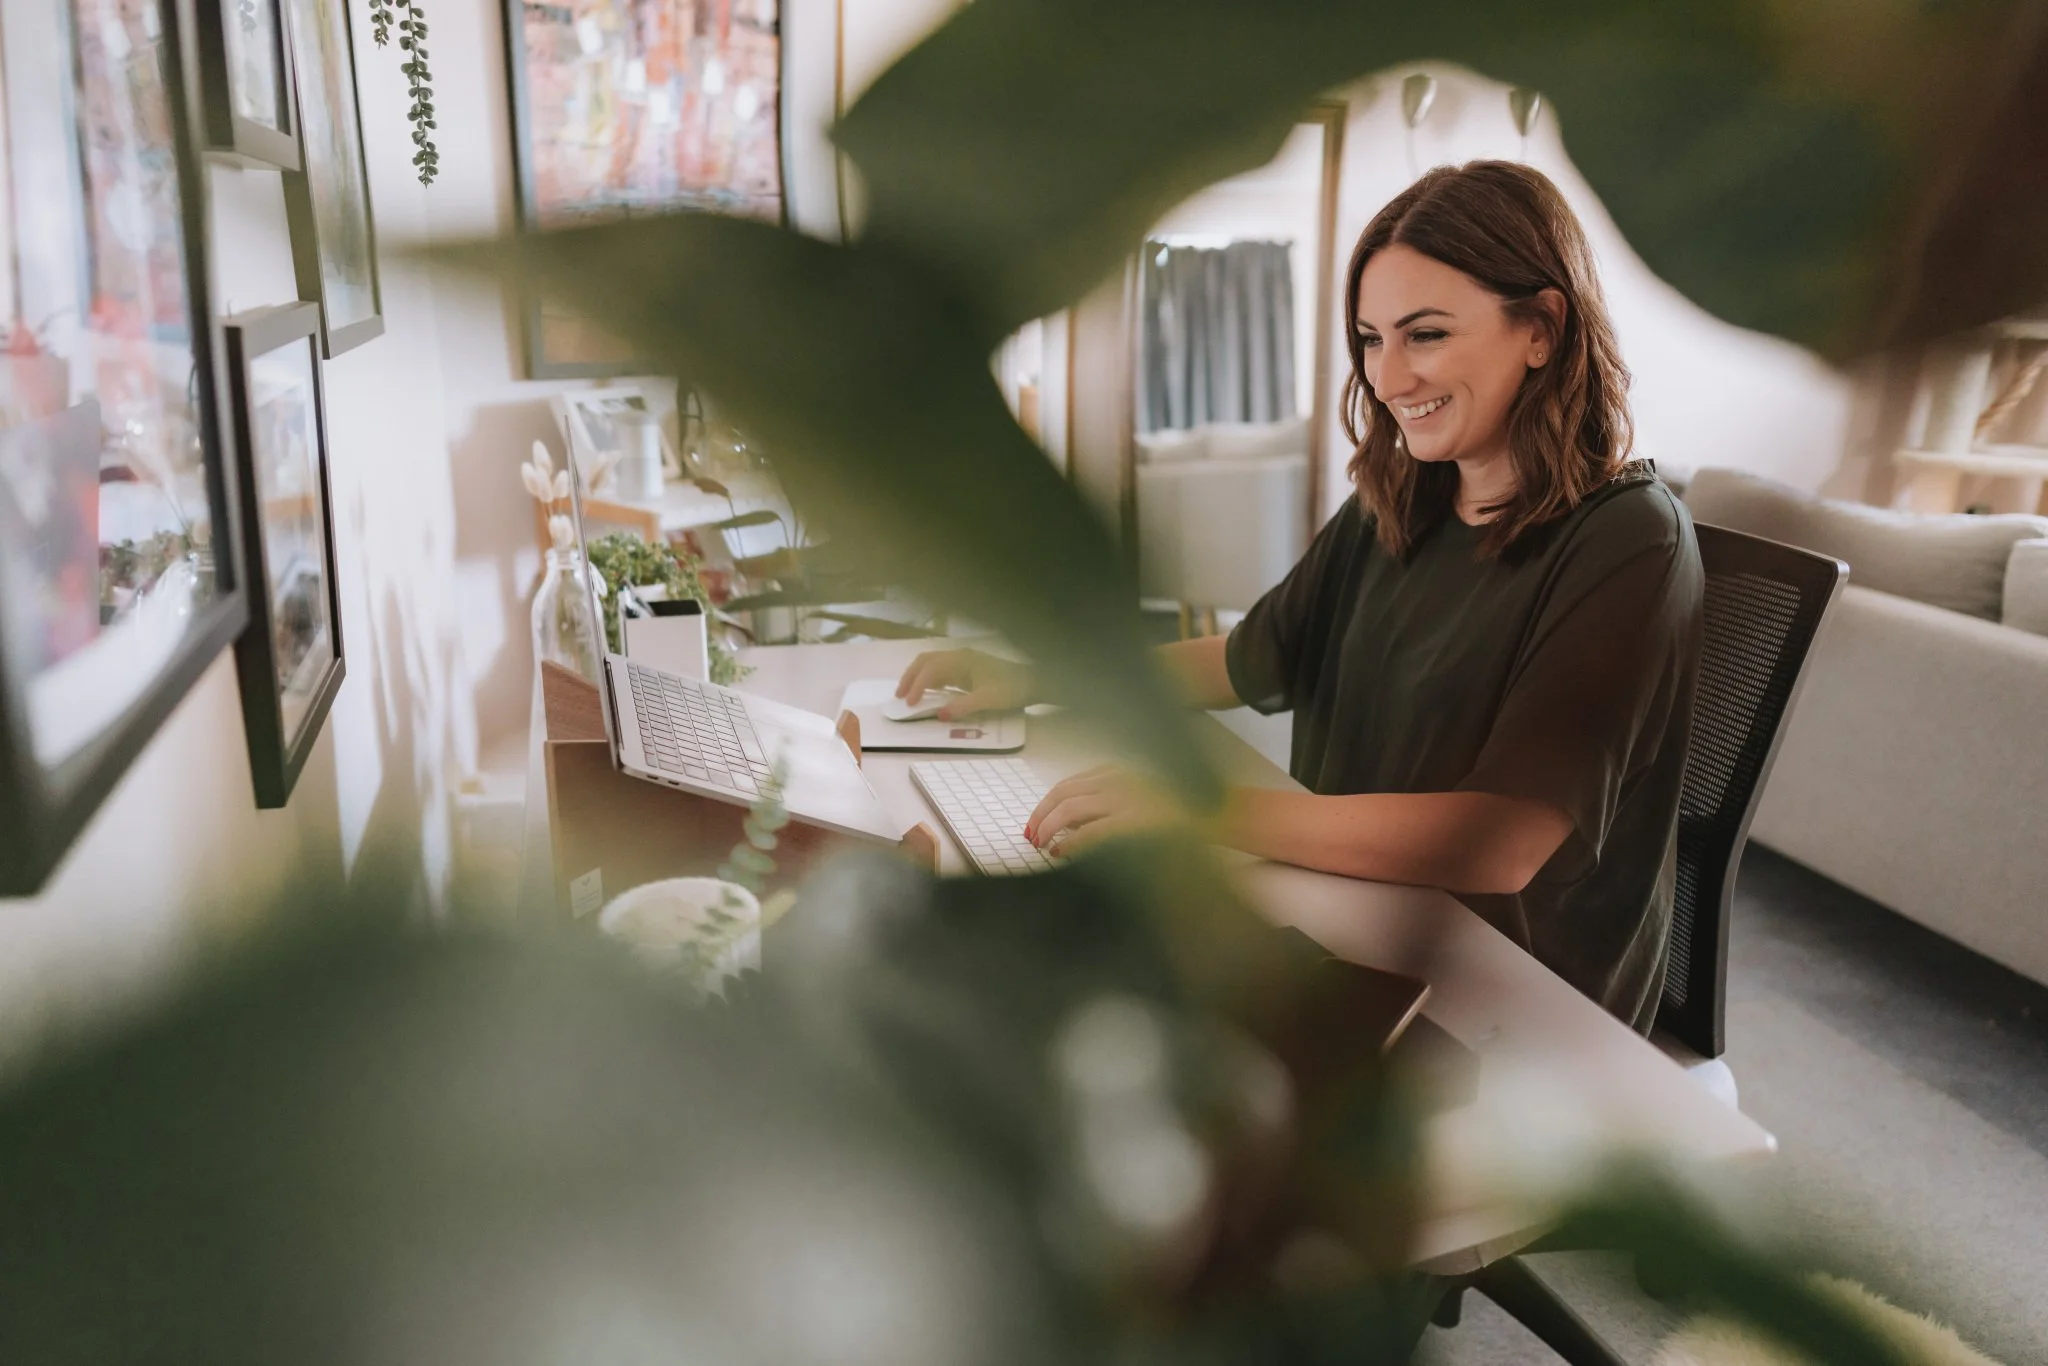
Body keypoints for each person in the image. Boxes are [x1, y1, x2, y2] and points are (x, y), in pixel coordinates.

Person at [897, 161, 1703, 1031]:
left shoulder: (1630, 540)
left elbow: (1507, 839)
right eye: (1370, 338)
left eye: (1424, 334)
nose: (1389, 379)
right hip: (1346, 925)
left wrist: (1201, 810)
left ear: (1542, 327)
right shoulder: (1400, 501)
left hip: (1504, 1008)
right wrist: (1037, 674)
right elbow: (1256, 657)